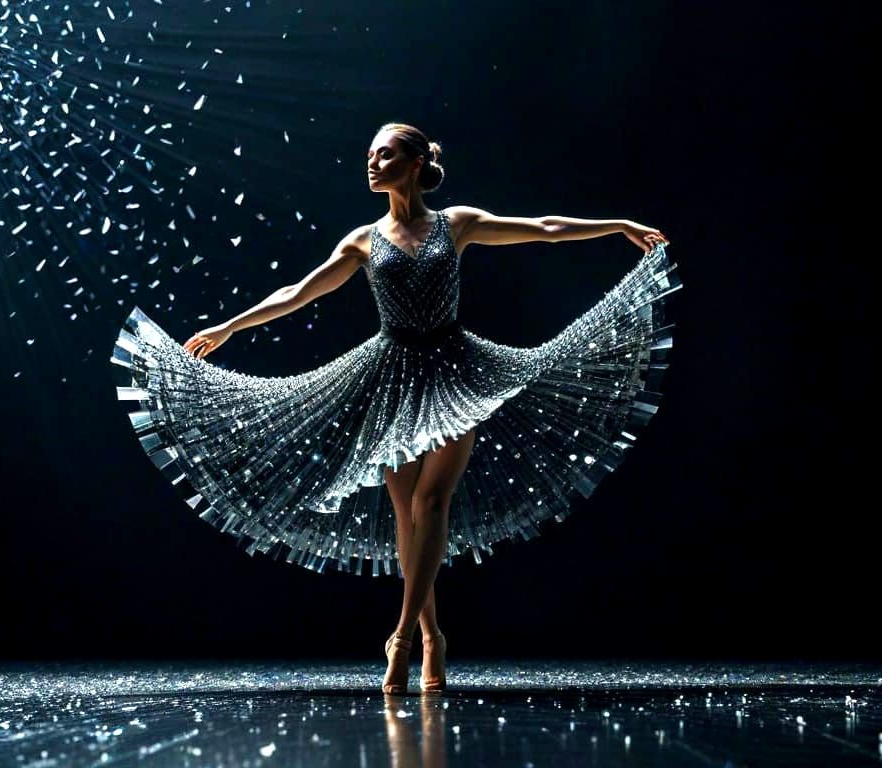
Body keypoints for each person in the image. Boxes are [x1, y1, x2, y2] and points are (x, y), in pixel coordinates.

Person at [112, 122, 681, 695]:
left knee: (434, 502)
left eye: (383, 155)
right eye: (369, 155)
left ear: (413, 164)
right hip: (390, 381)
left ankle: (403, 637)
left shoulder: (456, 223)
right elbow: (299, 293)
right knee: (406, 514)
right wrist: (230, 327)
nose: (372, 163)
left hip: (458, 372)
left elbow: (544, 229)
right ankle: (434, 635)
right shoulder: (362, 240)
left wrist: (618, 225)